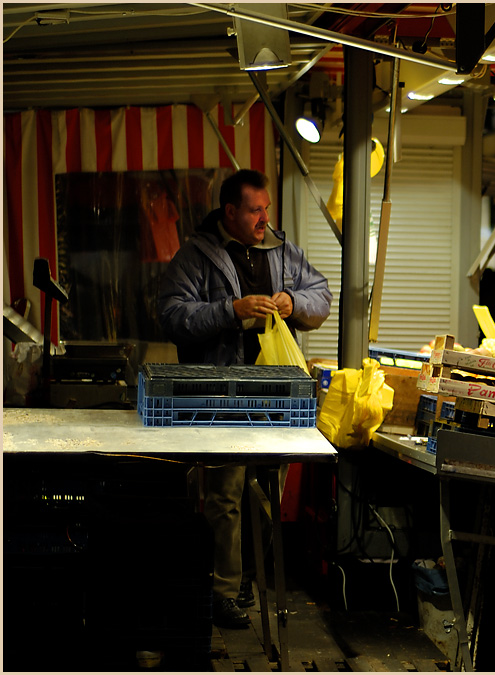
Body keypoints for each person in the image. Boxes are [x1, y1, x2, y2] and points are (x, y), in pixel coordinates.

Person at [158, 169, 332, 628]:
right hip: (221, 398)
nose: (264, 218)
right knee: (225, 497)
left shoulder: (282, 251)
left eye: (267, 208)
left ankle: (248, 581)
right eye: (255, 210)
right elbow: (172, 315)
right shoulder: (195, 256)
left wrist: (294, 303)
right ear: (230, 211)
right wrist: (229, 311)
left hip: (276, 397)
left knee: (267, 494)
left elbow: (321, 297)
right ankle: (220, 592)